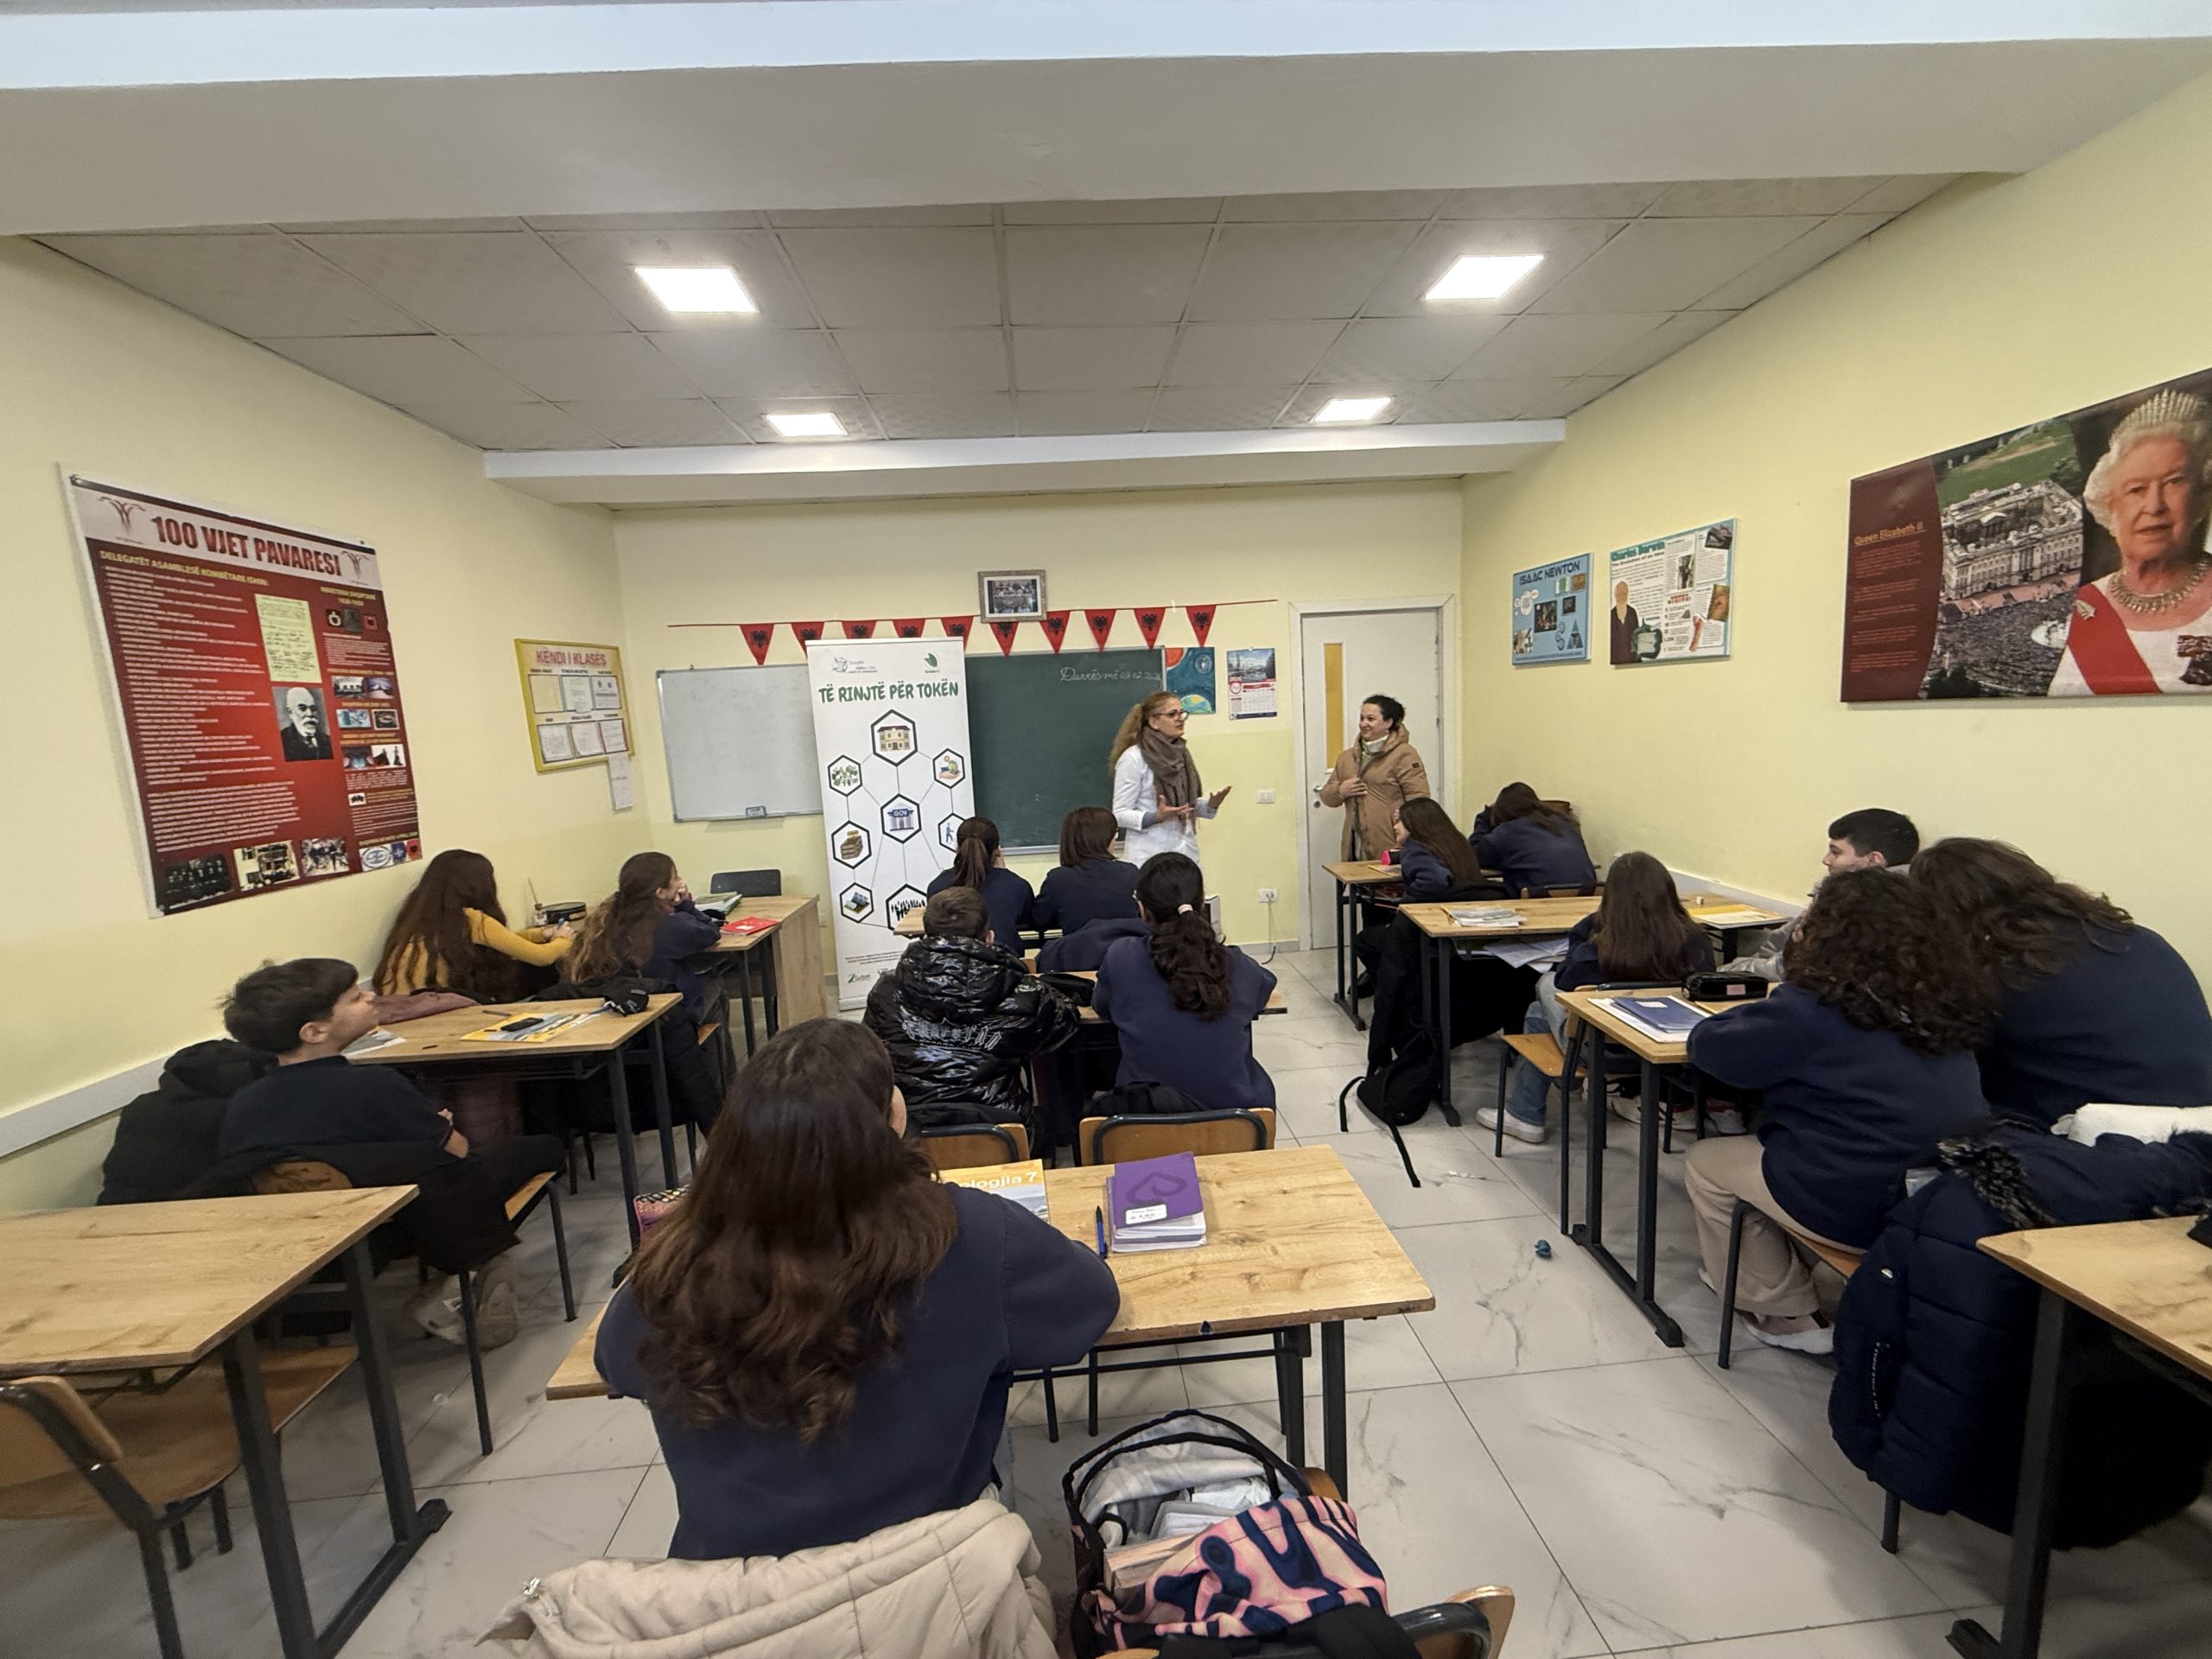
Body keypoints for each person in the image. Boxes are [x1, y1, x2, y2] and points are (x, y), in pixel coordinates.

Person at [596, 1019, 1118, 1560]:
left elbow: (618, 1364)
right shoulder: (970, 1232)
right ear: (893, 1118)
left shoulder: (676, 1261)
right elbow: (1091, 1302)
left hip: (737, 1588)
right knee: (992, 1428)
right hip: (926, 1572)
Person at [1681, 871, 1993, 1355]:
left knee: (1707, 1162)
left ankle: (1784, 1313)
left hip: (1857, 1196)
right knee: (1787, 1143)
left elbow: (1710, 1050)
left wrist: (1782, 987)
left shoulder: (1814, 1006)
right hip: (1945, 1192)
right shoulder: (1945, 1002)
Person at [218, 958, 565, 1346]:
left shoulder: (244, 1102)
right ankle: (471, 1273)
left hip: (340, 1228)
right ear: (314, 1031)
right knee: (543, 1149)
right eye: (355, 998)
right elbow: (458, 1152)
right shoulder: (374, 1085)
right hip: (424, 1209)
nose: (371, 997)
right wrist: (441, 1125)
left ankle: (466, 1274)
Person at [1912, 837, 2212, 1123]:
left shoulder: (2005, 972)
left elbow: (1947, 1070)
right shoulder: (2136, 937)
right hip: (2198, 1118)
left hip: (2106, 1137)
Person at [1478, 851, 1713, 1144]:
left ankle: (1528, 1112)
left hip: (1603, 1053)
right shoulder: (1695, 938)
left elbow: (1565, 981)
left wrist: (1591, 929)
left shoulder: (1601, 941)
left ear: (1610, 897)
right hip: (1675, 1052)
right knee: (1538, 1012)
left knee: (1545, 988)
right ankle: (1528, 1110)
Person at [863, 887, 1077, 1128]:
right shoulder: (1022, 993)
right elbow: (1064, 1023)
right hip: (999, 1128)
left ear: (926, 935)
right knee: (1050, 1121)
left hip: (912, 1129)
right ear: (989, 938)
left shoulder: (886, 991)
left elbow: (870, 1057)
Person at [2047, 387, 2212, 695]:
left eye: (2174, 483)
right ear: (2109, 505)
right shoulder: (2083, 603)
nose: (2155, 506)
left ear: (2201, 496)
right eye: (2137, 489)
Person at [1092, 854, 1275, 1114]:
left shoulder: (1121, 956)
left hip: (1144, 1117)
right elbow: (1263, 992)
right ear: (1201, 902)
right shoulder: (1236, 964)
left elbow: (1102, 1007)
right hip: (1235, 1119)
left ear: (1142, 909)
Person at [1722, 807, 1919, 981]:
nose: (1826, 860)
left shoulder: (1861, 909)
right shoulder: (1910, 897)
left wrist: (1725, 973)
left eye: (1836, 852)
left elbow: (1790, 968)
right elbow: (1777, 945)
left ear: (1874, 860)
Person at [373, 848, 573, 999]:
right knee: (545, 971)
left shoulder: (417, 916)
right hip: (434, 1005)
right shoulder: (471, 919)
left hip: (399, 1006)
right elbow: (541, 957)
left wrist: (539, 934)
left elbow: (501, 941)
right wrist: (564, 940)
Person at [570, 851, 721, 1020]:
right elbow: (711, 932)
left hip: (621, 1006)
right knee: (714, 982)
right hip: (671, 1014)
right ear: (660, 892)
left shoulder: (603, 922)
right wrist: (685, 904)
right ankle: (707, 1036)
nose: (680, 882)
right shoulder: (673, 925)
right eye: (676, 878)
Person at [1110, 691, 1230, 866]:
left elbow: (1184, 807)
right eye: (1172, 714)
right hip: (1149, 856)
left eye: (1182, 713)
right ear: (1154, 722)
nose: (1180, 719)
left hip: (1186, 854)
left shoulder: (1182, 754)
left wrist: (1211, 805)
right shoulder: (1133, 758)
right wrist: (1156, 817)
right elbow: (1120, 814)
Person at [1317, 694, 1430, 864]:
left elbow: (1420, 801)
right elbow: (1326, 797)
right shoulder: (1347, 758)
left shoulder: (1404, 754)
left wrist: (1403, 821)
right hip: (1354, 846)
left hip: (1391, 843)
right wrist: (1341, 790)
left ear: (1388, 722)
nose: (1363, 724)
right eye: (1361, 718)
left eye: (1371, 719)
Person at [925, 817, 1036, 950]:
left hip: (949, 961)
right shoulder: (1017, 886)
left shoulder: (936, 887)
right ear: (997, 852)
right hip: (1003, 960)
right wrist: (1004, 874)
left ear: (958, 849)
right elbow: (1028, 920)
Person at [1469, 783, 1596, 898]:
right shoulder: (1565, 824)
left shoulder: (1506, 832)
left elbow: (1472, 855)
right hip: (1587, 897)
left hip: (1539, 898)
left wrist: (1484, 817)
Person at [1032, 805, 1140, 936]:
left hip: (1081, 948)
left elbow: (1039, 920)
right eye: (1114, 835)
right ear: (1105, 838)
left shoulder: (1058, 878)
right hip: (1127, 947)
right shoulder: (1129, 872)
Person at [1391, 798, 1484, 901]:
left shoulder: (1415, 848)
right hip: (1472, 903)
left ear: (1413, 822)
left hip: (1436, 906)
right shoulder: (1457, 841)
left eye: (1400, 821)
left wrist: (1407, 899)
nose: (1395, 827)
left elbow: (1435, 879)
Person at [276, 686, 330, 760]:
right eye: (302, 708)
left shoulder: (328, 741)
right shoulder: (281, 741)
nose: (310, 714)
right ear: (291, 713)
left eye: (313, 708)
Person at [1609, 582, 1642, 664]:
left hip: (1631, 659)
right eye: (1619, 595)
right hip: (1615, 659)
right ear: (1615, 595)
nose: (1621, 598)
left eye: (1624, 594)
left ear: (1627, 595)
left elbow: (1636, 637)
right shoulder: (1611, 614)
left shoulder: (1632, 612)